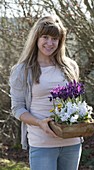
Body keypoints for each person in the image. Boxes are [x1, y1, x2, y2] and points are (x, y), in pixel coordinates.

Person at [9, 15, 83, 170]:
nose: (50, 43)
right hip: (42, 143)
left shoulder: (70, 67)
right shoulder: (22, 71)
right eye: (45, 37)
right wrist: (40, 123)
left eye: (55, 39)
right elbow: (17, 108)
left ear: (60, 41)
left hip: (72, 143)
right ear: (36, 38)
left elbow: (75, 103)